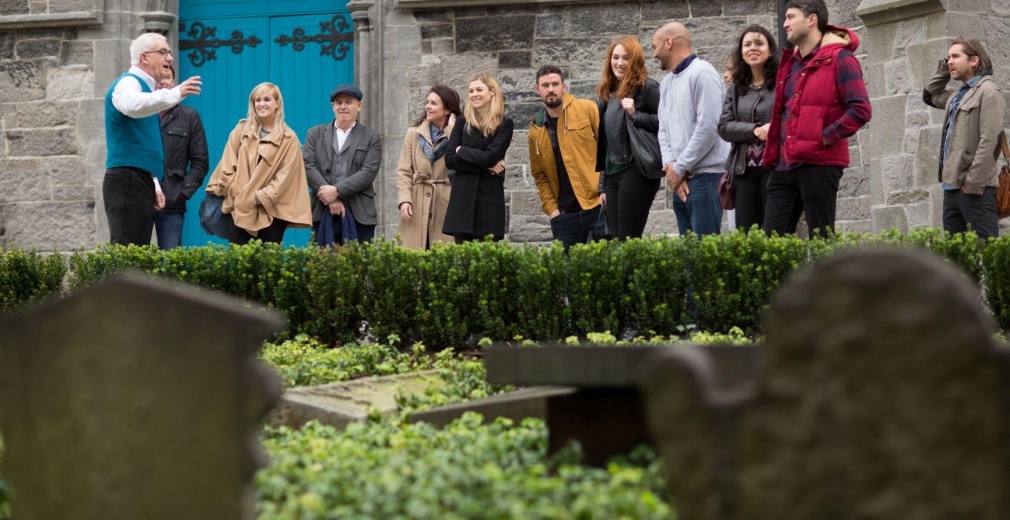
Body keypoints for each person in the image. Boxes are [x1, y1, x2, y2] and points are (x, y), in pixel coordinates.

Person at [762, 0, 871, 238]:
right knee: (771, 243)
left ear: (811, 19)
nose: (784, 24)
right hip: (783, 165)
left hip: (819, 165)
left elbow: (860, 109)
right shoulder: (789, 62)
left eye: (791, 17)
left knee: (822, 240)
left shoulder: (841, 58)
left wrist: (822, 137)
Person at [103, 32, 201, 245]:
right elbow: (130, 105)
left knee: (136, 254)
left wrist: (154, 184)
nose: (170, 58)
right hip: (127, 181)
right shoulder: (128, 82)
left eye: (169, 52)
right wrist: (174, 93)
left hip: (138, 182)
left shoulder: (145, 88)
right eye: (163, 52)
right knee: (127, 255)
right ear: (145, 57)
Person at [205, 82, 312, 244]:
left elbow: (286, 177)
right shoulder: (241, 130)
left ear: (277, 103)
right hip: (237, 208)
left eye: (267, 99)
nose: (261, 104)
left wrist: (259, 197)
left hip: (271, 211)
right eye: (257, 100)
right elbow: (227, 165)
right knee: (241, 264)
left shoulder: (289, 139)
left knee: (268, 265)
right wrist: (237, 193)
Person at [922, 38, 1003, 241]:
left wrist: (973, 183)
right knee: (956, 257)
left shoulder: (989, 92)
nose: (950, 61)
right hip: (951, 188)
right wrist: (944, 66)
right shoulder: (958, 95)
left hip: (976, 189)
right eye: (949, 57)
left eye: (955, 56)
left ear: (974, 60)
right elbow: (929, 96)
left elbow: (991, 141)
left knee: (988, 251)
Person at [654, 22, 731, 237]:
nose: (654, 54)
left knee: (704, 258)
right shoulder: (666, 83)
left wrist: (679, 168)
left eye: (655, 46)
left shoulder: (703, 73)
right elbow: (663, 129)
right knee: (689, 259)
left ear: (668, 42)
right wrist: (672, 168)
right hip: (681, 181)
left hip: (706, 179)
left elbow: (708, 128)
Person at [528, 65, 605, 250]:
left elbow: (608, 150)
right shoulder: (536, 129)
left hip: (597, 205)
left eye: (555, 84)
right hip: (564, 214)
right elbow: (539, 175)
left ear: (564, 86)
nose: (551, 89)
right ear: (538, 90)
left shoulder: (587, 108)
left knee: (606, 268)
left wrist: (606, 190)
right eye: (545, 85)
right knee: (568, 275)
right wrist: (552, 210)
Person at [595, 36, 663, 240]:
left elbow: (666, 124)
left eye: (626, 58)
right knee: (616, 240)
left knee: (628, 239)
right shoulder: (608, 94)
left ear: (635, 61)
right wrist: (602, 186)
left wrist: (636, 114)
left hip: (636, 170)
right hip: (613, 175)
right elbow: (606, 145)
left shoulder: (646, 88)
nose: (619, 63)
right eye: (615, 57)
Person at [718, 25, 779, 232]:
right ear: (741, 52)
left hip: (775, 168)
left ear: (770, 50)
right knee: (746, 235)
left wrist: (774, 126)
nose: (753, 48)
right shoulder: (736, 87)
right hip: (744, 172)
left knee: (776, 235)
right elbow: (724, 127)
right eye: (747, 44)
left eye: (759, 43)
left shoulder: (782, 83)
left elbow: (793, 117)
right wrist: (753, 130)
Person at [304, 84, 383, 244]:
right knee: (323, 264)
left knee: (359, 264)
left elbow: (368, 172)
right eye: (339, 102)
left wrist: (337, 191)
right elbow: (307, 166)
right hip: (322, 209)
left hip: (360, 213)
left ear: (359, 106)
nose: (343, 107)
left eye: (348, 102)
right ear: (333, 106)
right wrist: (330, 198)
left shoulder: (371, 137)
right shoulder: (315, 134)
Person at [443, 72, 514, 243]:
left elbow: (490, 157)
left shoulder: (504, 124)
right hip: (462, 201)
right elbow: (450, 160)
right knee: (464, 264)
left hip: (488, 203)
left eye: (479, 90)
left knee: (487, 264)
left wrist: (462, 150)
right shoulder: (462, 122)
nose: (474, 94)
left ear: (492, 92)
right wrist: (486, 166)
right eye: (471, 91)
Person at [395, 85, 461, 249]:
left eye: (433, 103)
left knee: (444, 261)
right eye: (427, 102)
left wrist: (452, 129)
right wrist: (404, 200)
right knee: (413, 260)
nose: (427, 106)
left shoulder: (460, 134)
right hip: (416, 205)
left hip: (446, 204)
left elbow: (461, 159)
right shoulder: (414, 133)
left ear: (447, 110)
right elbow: (404, 171)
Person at [153, 66, 209, 249]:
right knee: (136, 263)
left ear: (173, 82)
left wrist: (181, 193)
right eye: (158, 77)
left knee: (168, 262)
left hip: (171, 203)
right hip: (140, 198)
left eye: (167, 77)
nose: (162, 81)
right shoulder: (140, 114)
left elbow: (201, 162)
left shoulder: (189, 117)